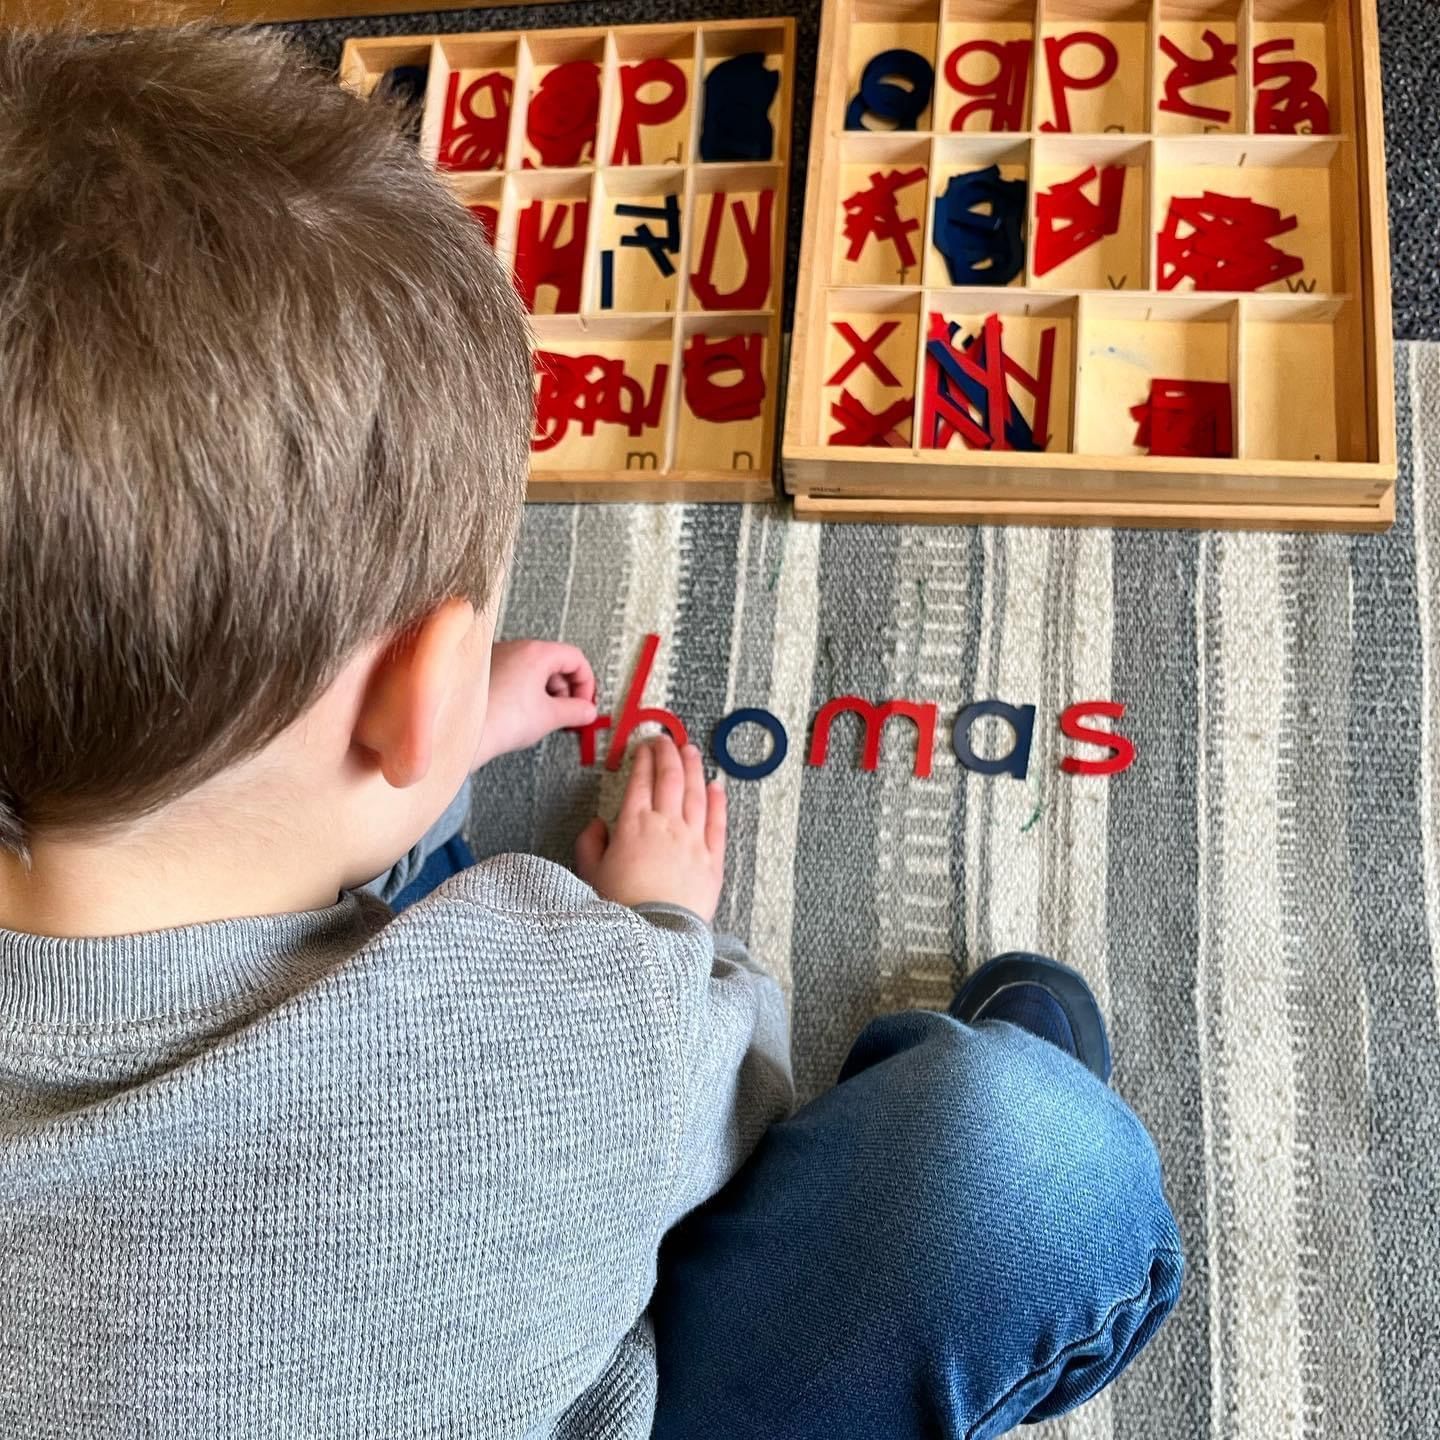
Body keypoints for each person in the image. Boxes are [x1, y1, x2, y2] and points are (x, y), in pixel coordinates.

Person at [0, 24, 1182, 1440]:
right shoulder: (580, 1011)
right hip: (598, 1367)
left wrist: (419, 756)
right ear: (413, 695)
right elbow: (735, 1093)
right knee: (1029, 1164)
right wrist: (664, 930)